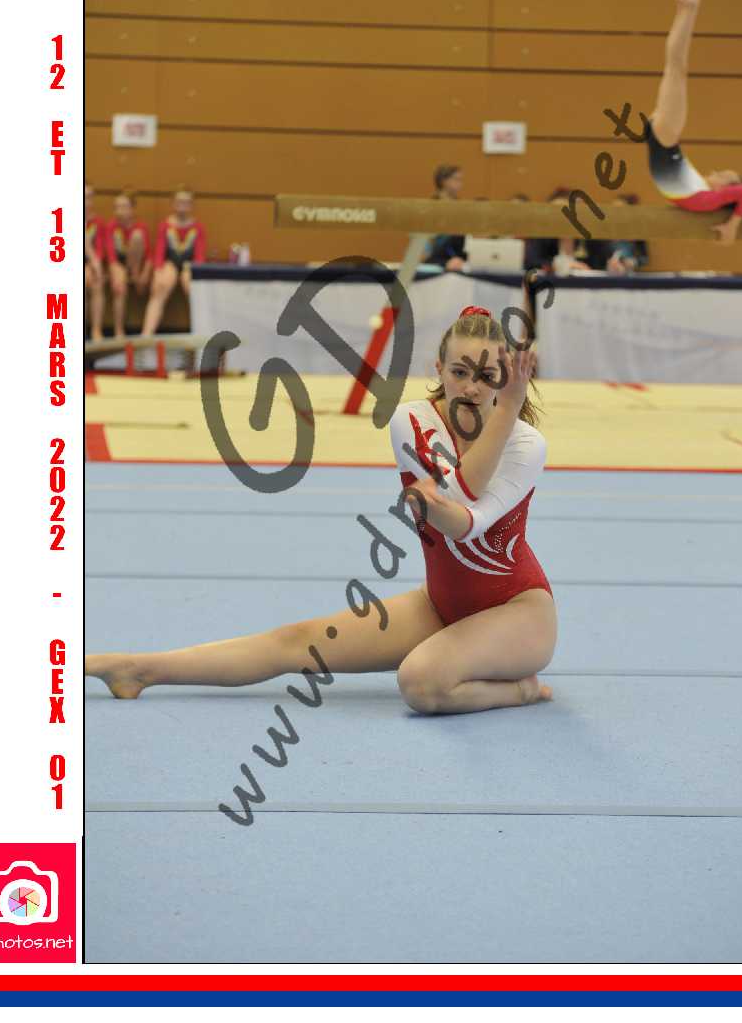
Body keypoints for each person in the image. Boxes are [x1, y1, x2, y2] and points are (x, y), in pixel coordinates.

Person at [85, 306, 556, 715]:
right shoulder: (412, 420)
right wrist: (430, 501)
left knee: (421, 681)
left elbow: (466, 519)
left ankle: (521, 689)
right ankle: (140, 669)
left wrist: (508, 410)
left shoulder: (525, 443)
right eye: (459, 372)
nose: (471, 388)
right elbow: (450, 500)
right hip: (441, 605)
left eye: (487, 377)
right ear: (439, 368)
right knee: (296, 642)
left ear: (506, 380)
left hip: (517, 614)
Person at [646, 0, 742, 245]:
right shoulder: (705, 197)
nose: (716, 172)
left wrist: (733, 225)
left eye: (724, 176)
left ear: (727, 191)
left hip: (664, 141)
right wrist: (734, 224)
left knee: (676, 67)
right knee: (675, 67)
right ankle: (687, 8)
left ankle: (689, 7)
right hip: (665, 140)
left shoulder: (709, 199)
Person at [141, 187, 207, 336]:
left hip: (189, 265)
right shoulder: (165, 225)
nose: (182, 206)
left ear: (192, 205)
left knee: (192, 287)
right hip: (169, 263)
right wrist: (157, 272)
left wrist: (196, 272)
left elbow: (199, 256)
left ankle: (201, 332)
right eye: (179, 202)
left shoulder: (198, 228)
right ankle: (146, 334)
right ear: (172, 203)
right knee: (161, 286)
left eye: (186, 202)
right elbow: (159, 252)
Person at [104, 190, 152, 338]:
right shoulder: (111, 227)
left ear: (132, 209)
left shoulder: (141, 227)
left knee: (137, 236)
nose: (120, 211)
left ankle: (135, 277)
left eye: (124, 207)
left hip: (137, 267)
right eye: (117, 207)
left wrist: (144, 274)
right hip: (119, 266)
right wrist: (118, 274)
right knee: (119, 286)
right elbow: (111, 257)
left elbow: (149, 256)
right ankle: (118, 330)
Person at [425, 163, 467, 271]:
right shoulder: (431, 206)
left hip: (456, 254)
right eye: (456, 179)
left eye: (461, 180)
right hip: (435, 254)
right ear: (444, 181)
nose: (460, 184)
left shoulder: (461, 206)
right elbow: (427, 238)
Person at [84, 184, 108, 341]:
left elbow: (101, 248)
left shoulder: (97, 222)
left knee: (96, 282)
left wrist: (96, 263)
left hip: (91, 265)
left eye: (88, 197)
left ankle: (96, 330)